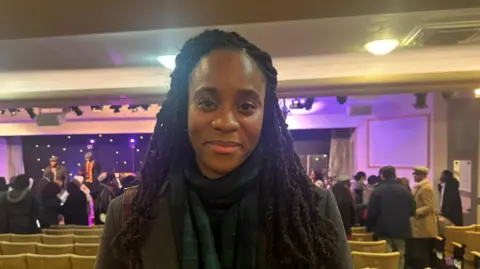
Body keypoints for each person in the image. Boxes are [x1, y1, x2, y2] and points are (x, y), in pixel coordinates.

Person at [95, 30, 352, 269]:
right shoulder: (128, 216)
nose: (225, 122)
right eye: (207, 102)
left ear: (266, 117)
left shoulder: (315, 210)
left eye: (247, 106)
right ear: (184, 110)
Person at [366, 166, 416, 269]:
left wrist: (369, 227)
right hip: (402, 229)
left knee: (386, 257)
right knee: (400, 255)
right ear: (394, 175)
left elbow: (372, 212)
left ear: (382, 175)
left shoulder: (378, 191)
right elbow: (412, 210)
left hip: (383, 229)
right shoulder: (405, 190)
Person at [408, 166, 438, 269]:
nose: (414, 176)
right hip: (419, 224)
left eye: (416, 174)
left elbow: (429, 206)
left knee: (422, 252)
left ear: (422, 175)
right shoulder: (420, 187)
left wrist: (414, 212)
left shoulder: (426, 188)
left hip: (423, 224)